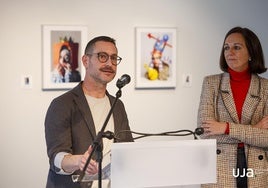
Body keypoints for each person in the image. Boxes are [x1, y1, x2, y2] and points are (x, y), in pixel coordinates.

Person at [45, 36, 133, 188]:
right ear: (85, 61)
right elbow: (56, 158)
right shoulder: (62, 104)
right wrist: (79, 161)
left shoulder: (117, 105)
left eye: (113, 58)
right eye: (102, 56)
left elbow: (127, 149)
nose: (109, 64)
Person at [197, 26, 268, 188]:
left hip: (257, 169)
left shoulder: (265, 88)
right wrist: (254, 129)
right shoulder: (211, 83)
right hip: (220, 167)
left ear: (251, 52)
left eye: (237, 47)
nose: (230, 52)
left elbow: (267, 138)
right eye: (226, 48)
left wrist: (226, 127)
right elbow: (205, 133)